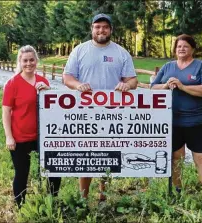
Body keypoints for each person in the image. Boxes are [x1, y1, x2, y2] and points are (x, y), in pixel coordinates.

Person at [63, 13, 138, 201]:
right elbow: (67, 77)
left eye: (105, 27)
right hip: (86, 112)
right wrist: (78, 85)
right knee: (87, 154)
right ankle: (83, 198)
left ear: (110, 30)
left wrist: (126, 85)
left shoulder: (121, 52)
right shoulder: (80, 51)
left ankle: (103, 196)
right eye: (97, 27)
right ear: (92, 29)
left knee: (108, 153)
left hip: (112, 113)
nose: (101, 30)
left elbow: (133, 79)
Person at [150, 34, 202, 211]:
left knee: (201, 158)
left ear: (192, 49)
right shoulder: (168, 67)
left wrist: (183, 86)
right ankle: (177, 191)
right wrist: (165, 86)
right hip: (173, 121)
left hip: (197, 121)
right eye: (179, 46)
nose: (181, 49)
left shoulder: (201, 66)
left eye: (185, 46)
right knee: (176, 157)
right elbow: (152, 87)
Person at [2, 45, 61, 208]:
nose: (29, 63)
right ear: (20, 62)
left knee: (53, 170)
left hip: (42, 136)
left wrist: (47, 92)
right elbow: (6, 112)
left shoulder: (43, 81)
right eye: (25, 60)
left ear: (36, 61)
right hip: (20, 136)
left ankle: (52, 202)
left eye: (32, 60)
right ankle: (20, 207)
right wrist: (9, 136)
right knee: (22, 173)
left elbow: (51, 108)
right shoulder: (12, 84)